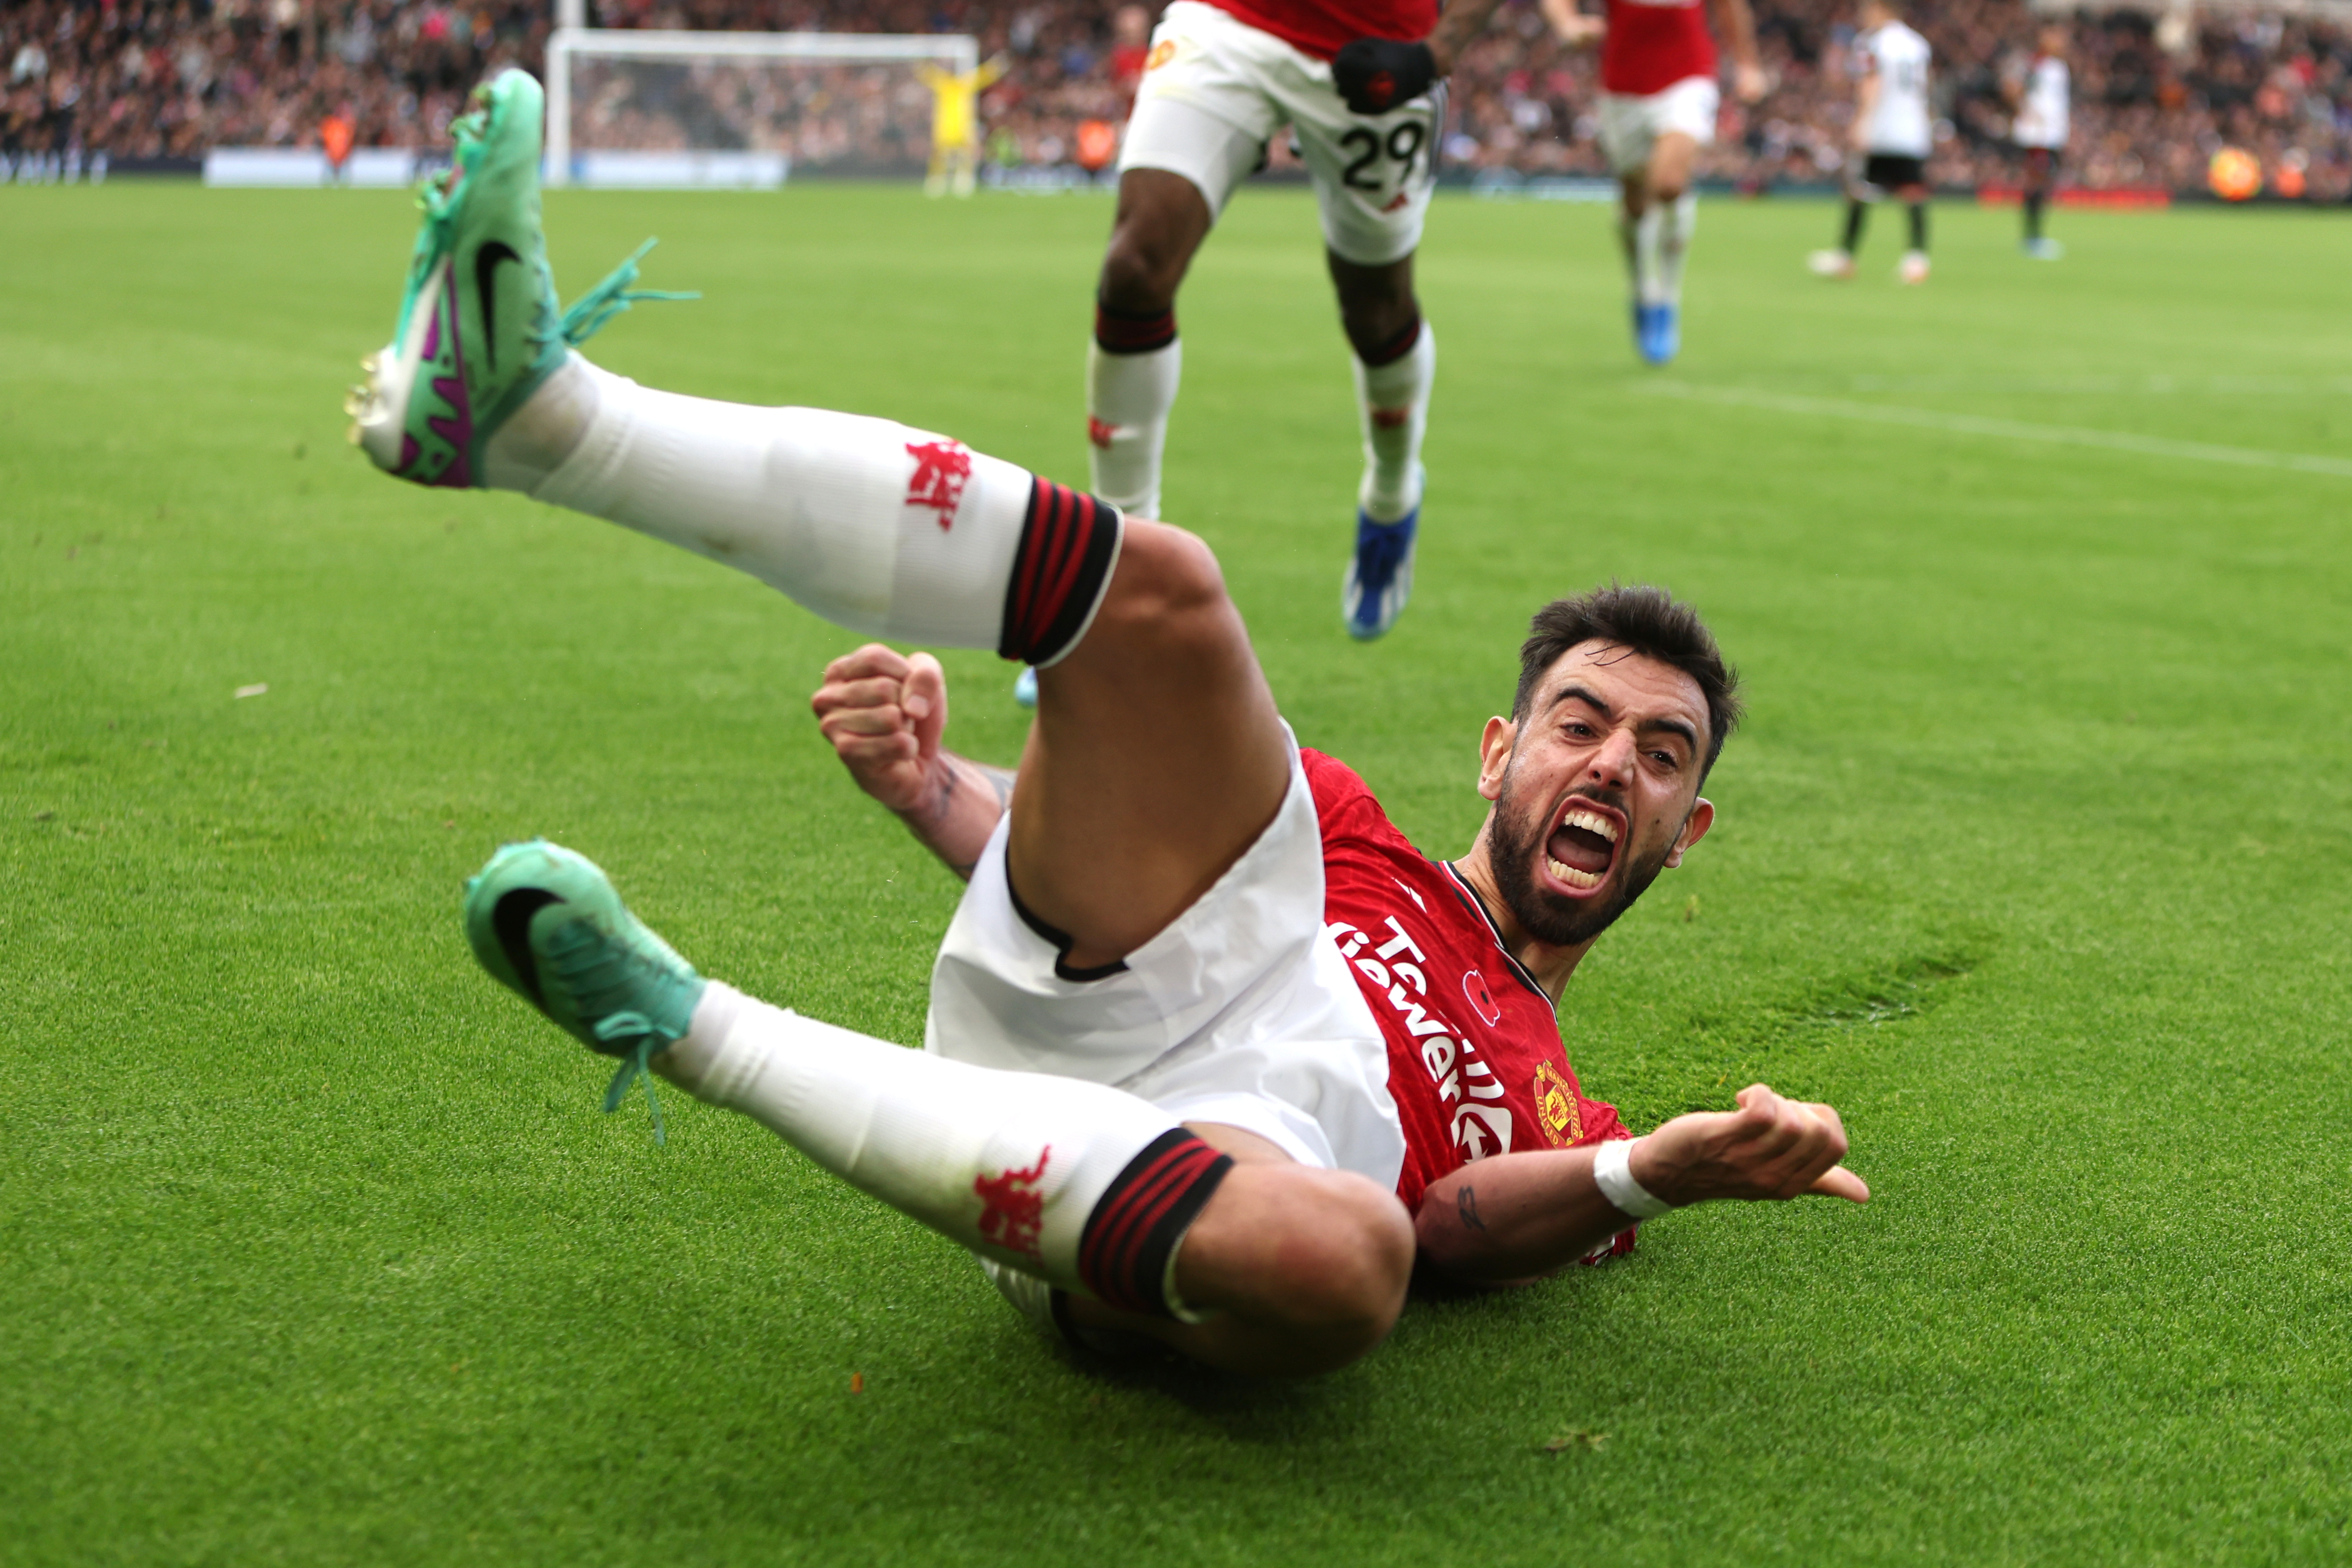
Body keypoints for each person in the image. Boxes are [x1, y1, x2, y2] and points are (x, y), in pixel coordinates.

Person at [350, 70, 1867, 1378]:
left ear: (1690, 828)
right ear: (1498, 750)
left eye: (1660, 756)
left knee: (1351, 1264)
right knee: (1166, 594)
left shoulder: (1565, 1103)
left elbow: (1444, 1231)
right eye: (1581, 721)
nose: (1611, 761)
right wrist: (926, 777)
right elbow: (1092, 845)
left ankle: (686, 1025)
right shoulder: (1334, 827)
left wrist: (1643, 1170)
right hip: (1154, 982)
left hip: (1237, 1175)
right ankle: (542, 416)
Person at [1085, 0, 1515, 641]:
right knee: (1135, 268)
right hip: (1227, 27)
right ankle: (1123, 570)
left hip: (1379, 47)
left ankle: (1392, 493)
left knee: (1375, 309)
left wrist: (1432, 54)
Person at [1542, 0, 1766, 365]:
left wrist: (1748, 64)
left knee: (1669, 183)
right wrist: (1566, 22)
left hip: (1688, 76)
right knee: (1634, 201)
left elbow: (1731, 8)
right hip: (1622, 88)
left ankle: (1668, 299)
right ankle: (1643, 288)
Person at [1807, 0, 1933, 285]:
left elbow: (1870, 83)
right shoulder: (1917, 44)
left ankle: (1846, 257)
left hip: (1881, 128)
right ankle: (1917, 259)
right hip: (1912, 128)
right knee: (1913, 192)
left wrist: (1861, 122)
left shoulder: (1872, 42)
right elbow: (1925, 86)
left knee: (1859, 191)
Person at [2007, 22, 2069, 259]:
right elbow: (2012, 87)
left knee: (2044, 186)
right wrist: (2026, 111)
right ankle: (2032, 238)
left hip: (2052, 135)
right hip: (2038, 136)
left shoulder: (2057, 67)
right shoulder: (2035, 63)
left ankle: (2035, 237)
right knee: (2036, 184)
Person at [916, 52, 1008, 199]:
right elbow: (928, 75)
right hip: (944, 128)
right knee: (940, 157)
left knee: (965, 157)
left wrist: (996, 66)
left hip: (964, 128)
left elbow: (984, 75)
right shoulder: (943, 84)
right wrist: (920, 65)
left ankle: (963, 182)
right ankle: (936, 182)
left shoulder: (965, 84)